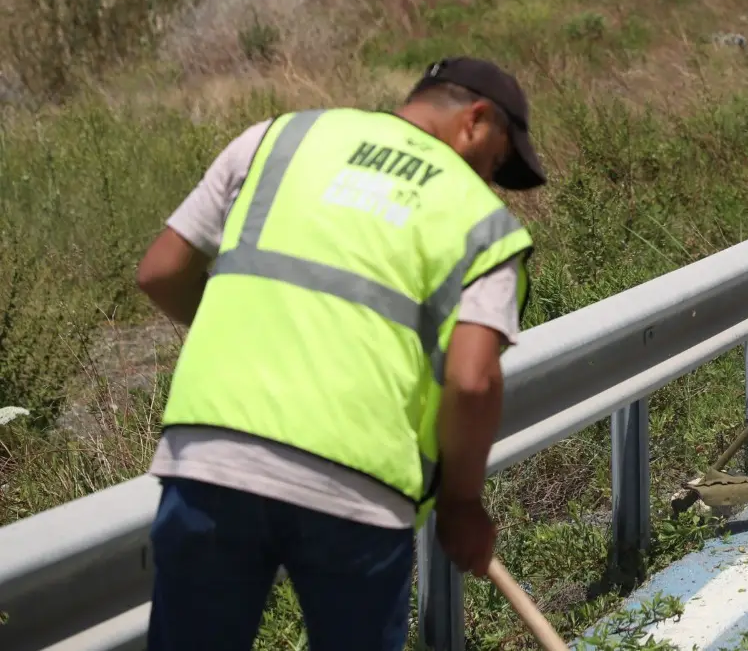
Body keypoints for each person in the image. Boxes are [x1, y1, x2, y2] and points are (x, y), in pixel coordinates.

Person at [134, 57, 548, 651]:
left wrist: (253, 324)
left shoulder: (277, 140)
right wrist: (461, 505)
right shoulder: (483, 224)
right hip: (359, 485)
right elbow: (474, 380)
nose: (490, 177)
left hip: (215, 456)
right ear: (476, 121)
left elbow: (160, 273)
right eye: (498, 160)